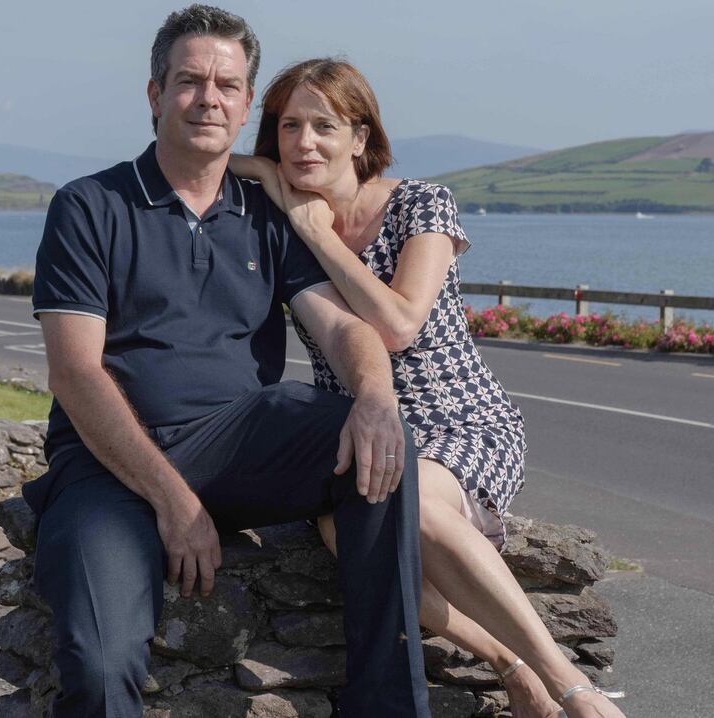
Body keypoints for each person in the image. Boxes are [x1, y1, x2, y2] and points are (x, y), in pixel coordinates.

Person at [24, 8, 433, 717]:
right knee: (96, 663)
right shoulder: (90, 206)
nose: (209, 97)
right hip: (108, 468)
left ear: (246, 106)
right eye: (189, 81)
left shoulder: (267, 211)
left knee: (377, 447)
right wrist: (174, 501)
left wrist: (375, 395)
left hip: (238, 441)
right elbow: (76, 374)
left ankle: (386, 705)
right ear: (155, 95)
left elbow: (341, 328)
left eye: (227, 84)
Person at [231, 58, 626, 718]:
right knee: (351, 540)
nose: (304, 143)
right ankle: (511, 663)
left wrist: (318, 235)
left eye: (324, 126)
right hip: (362, 429)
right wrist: (266, 175)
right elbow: (208, 158)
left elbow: (398, 324)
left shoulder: (419, 204)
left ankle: (572, 687)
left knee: (408, 506)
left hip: (461, 421)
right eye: (288, 126)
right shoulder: (282, 217)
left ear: (361, 137)